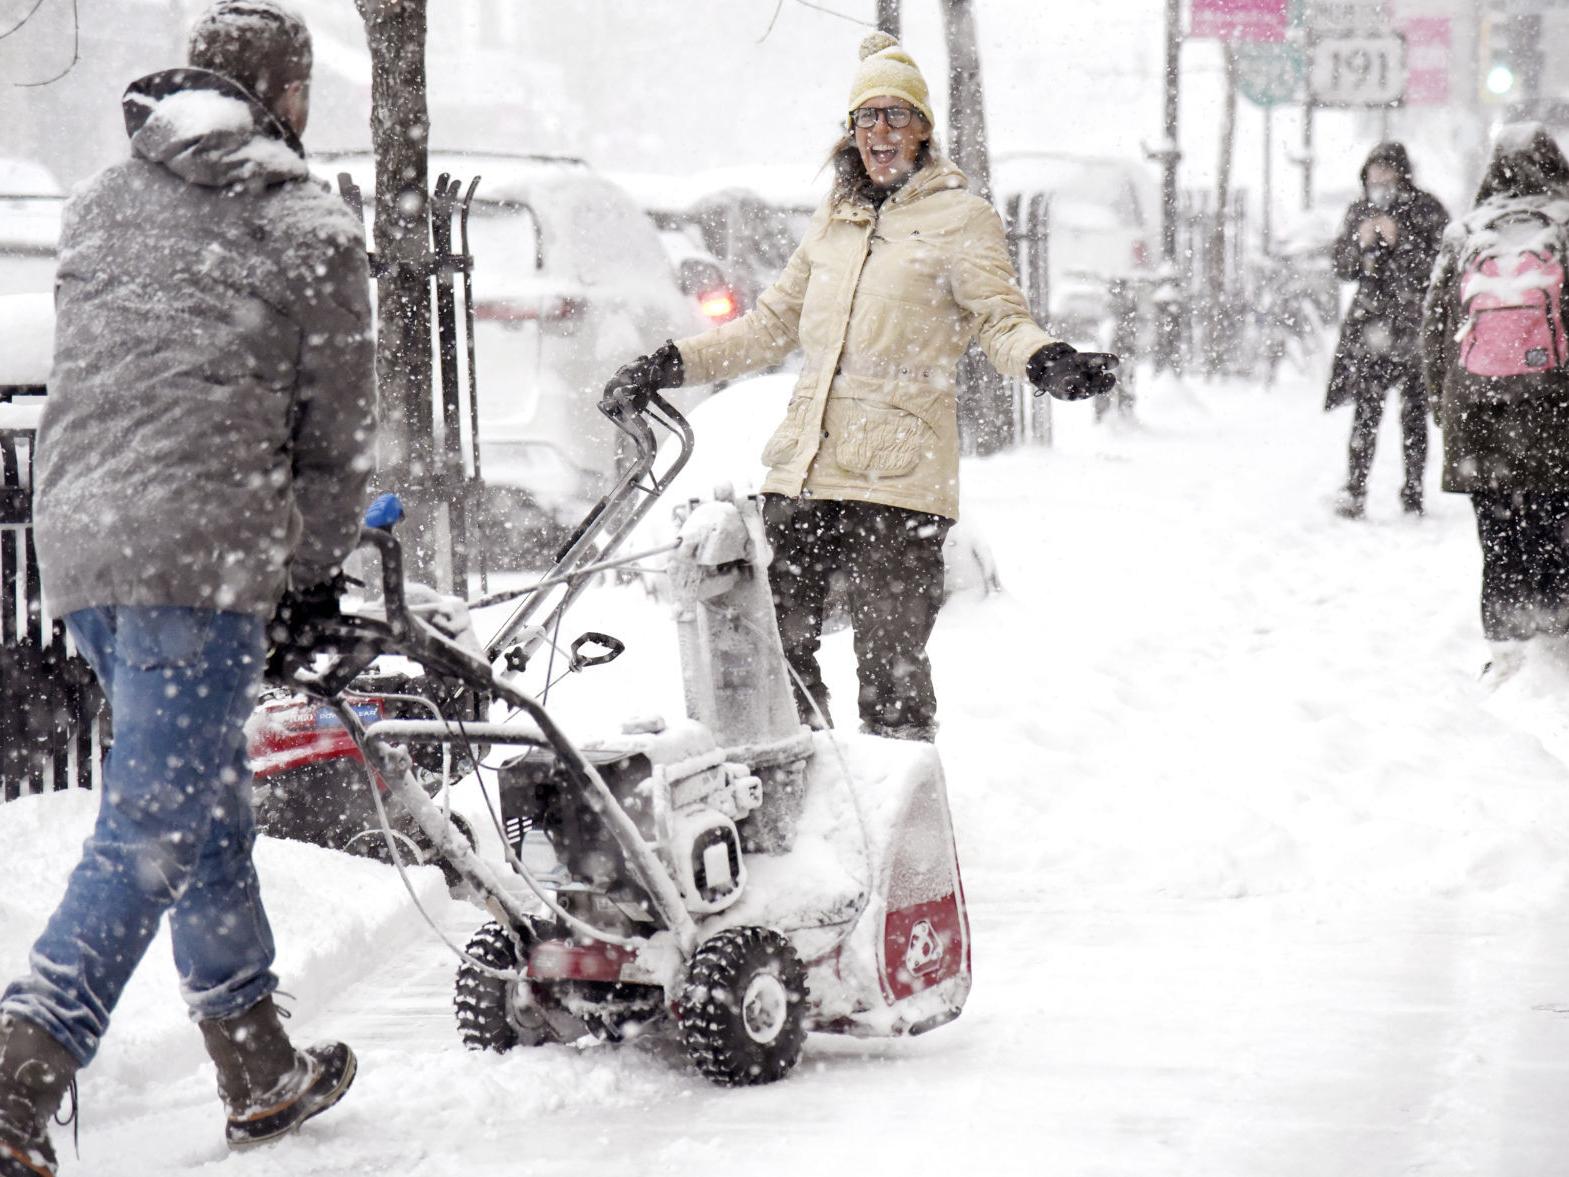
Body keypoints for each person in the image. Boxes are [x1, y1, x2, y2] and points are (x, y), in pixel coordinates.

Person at [0, 3, 374, 1172]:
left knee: (199, 795)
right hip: (198, 553)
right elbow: (336, 437)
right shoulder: (306, 221)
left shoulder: (106, 196)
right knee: (152, 828)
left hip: (81, 542)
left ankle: (256, 1058)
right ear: (290, 97)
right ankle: (20, 1076)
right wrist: (311, 574)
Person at [606, 32, 1116, 742]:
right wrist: (667, 363)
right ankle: (810, 801)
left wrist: (1046, 360)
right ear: (850, 134)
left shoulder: (959, 219)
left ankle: (903, 824)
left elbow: (1000, 320)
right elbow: (767, 327)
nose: (881, 131)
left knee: (891, 673)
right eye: (866, 117)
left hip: (898, 480)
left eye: (896, 115)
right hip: (808, 469)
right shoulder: (834, 222)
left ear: (922, 130)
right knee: (777, 649)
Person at [1421, 123, 1569, 672]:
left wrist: (1445, 407)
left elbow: (1435, 330)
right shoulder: (1565, 223)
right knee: (1554, 525)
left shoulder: (1465, 234)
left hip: (1478, 412)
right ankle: (1554, 648)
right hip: (1556, 410)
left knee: (1500, 535)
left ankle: (1508, 650)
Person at [1325, 142, 1448, 519]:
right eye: (1373, 172)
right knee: (1367, 410)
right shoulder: (1360, 210)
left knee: (1414, 414)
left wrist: (1401, 242)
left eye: (1387, 171)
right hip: (1371, 327)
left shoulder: (1427, 209)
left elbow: (1441, 266)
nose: (1380, 180)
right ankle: (1355, 487)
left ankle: (1413, 492)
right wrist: (1361, 246)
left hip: (1412, 327)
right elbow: (1342, 268)